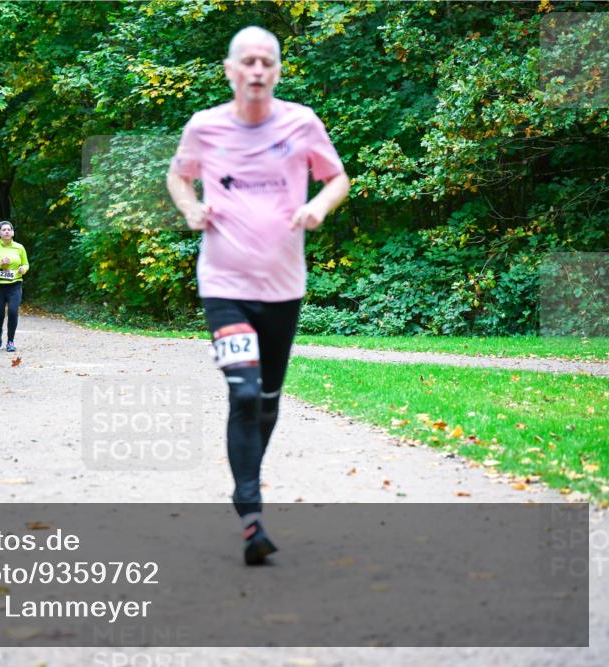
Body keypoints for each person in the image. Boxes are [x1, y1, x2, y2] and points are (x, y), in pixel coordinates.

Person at [167, 26, 350, 565]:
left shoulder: (301, 123)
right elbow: (179, 179)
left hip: (284, 287)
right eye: (246, 61)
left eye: (266, 62)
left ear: (277, 70)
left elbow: (337, 178)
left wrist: (318, 207)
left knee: (267, 400)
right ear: (230, 70)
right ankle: (251, 513)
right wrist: (189, 208)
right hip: (223, 284)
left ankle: (244, 487)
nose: (256, 70)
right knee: (244, 393)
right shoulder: (205, 127)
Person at [0, 221, 29, 352]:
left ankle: (10, 341)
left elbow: (26, 264)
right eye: (4, 230)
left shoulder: (19, 248)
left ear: (12, 232)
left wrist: (23, 269)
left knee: (13, 312)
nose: (7, 231)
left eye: (9, 229)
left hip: (15, 285)